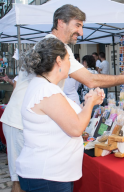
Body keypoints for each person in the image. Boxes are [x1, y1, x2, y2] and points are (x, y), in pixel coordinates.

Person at [0, 4, 124, 192]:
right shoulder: (56, 49)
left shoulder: (52, 50)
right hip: (20, 122)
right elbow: (90, 79)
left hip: (31, 118)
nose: (81, 32)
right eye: (77, 25)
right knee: (20, 180)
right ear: (60, 22)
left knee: (24, 179)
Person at [16, 38, 105, 192]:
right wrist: (90, 104)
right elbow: (76, 128)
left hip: (50, 174)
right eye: (68, 60)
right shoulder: (47, 90)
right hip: (48, 176)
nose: (70, 65)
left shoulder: (44, 86)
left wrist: (89, 101)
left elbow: (65, 116)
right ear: (59, 61)